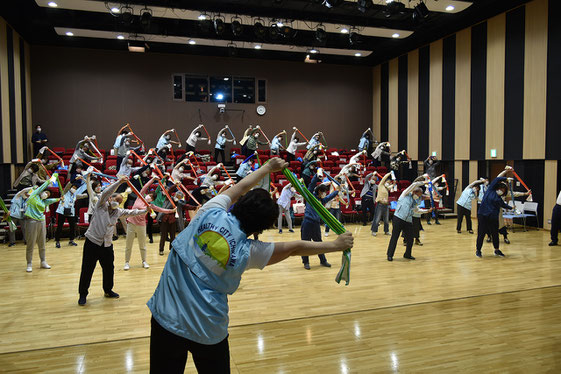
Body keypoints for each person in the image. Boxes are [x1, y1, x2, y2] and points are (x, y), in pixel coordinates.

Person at [147, 157, 353, 373]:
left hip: (165, 319)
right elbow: (295, 248)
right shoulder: (249, 251)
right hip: (207, 330)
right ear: (261, 228)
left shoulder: (210, 210)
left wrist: (268, 168)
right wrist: (336, 245)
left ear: (242, 202)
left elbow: (240, 186)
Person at [77, 176, 147, 306]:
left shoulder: (118, 211)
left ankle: (108, 290)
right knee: (87, 269)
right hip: (92, 242)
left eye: (119, 201)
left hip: (107, 245)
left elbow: (132, 212)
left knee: (109, 268)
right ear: (110, 199)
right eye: (115, 199)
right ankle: (83, 294)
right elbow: (106, 192)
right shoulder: (100, 205)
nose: (116, 202)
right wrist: (119, 182)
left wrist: (145, 210)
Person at [124, 177, 175, 270]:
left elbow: (161, 210)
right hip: (131, 223)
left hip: (141, 225)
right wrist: (153, 180)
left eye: (151, 197)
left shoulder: (150, 206)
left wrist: (172, 210)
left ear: (152, 200)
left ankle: (144, 261)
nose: (149, 197)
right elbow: (144, 187)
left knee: (142, 245)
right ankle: (127, 262)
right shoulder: (140, 197)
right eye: (149, 195)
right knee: (129, 244)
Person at [300, 168, 339, 270]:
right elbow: (312, 185)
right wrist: (317, 175)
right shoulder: (311, 197)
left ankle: (323, 261)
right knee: (305, 243)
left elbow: (329, 197)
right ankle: (306, 262)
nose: (324, 194)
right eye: (323, 192)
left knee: (319, 244)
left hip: (316, 224)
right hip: (307, 222)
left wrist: (337, 191)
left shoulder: (322, 201)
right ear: (319, 191)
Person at [386, 181, 431, 261]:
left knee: (410, 238)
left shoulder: (414, 202)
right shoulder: (404, 194)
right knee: (394, 237)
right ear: (414, 192)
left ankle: (407, 254)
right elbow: (414, 184)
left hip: (408, 221)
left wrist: (427, 211)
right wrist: (424, 182)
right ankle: (390, 255)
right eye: (418, 195)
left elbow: (416, 210)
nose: (418, 197)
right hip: (398, 218)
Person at [23, 175, 60, 272]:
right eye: (46, 193)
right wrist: (51, 180)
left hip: (41, 221)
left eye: (48, 194)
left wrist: (59, 199)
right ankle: (29, 263)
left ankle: (43, 261)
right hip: (31, 221)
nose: (46, 195)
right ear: (42, 191)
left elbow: (51, 201)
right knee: (31, 243)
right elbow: (43, 187)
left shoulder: (44, 202)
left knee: (42, 243)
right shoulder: (34, 195)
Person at [475, 175, 514, 258]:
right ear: (498, 188)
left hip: (493, 217)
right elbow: (497, 179)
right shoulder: (490, 190)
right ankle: (478, 250)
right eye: (501, 189)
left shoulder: (499, 199)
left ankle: (497, 250)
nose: (502, 191)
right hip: (483, 215)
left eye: (503, 190)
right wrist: (506, 179)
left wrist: (511, 208)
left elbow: (504, 205)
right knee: (481, 233)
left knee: (495, 234)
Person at [55, 181, 87, 248]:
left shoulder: (75, 195)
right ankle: (57, 241)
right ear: (70, 188)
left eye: (75, 188)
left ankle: (71, 240)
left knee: (72, 227)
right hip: (62, 211)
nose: (74, 189)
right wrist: (73, 180)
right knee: (59, 227)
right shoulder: (65, 192)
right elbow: (67, 186)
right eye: (73, 187)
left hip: (71, 212)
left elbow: (83, 195)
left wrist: (91, 193)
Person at [371, 171, 394, 236]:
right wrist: (389, 173)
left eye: (389, 183)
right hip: (380, 204)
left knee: (386, 219)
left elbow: (391, 187)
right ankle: (374, 231)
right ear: (385, 182)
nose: (388, 184)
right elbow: (384, 178)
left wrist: (393, 183)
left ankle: (386, 231)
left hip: (386, 205)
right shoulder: (381, 185)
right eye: (387, 182)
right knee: (377, 218)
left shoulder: (387, 188)